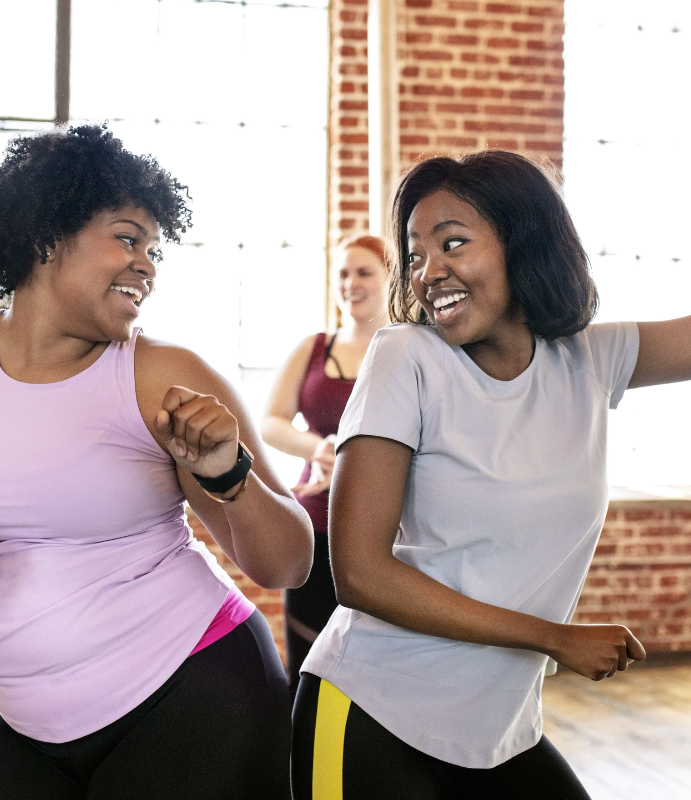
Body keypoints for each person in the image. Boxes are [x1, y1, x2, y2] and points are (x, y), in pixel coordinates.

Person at [0, 125, 314, 800]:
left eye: (154, 247)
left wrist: (228, 474)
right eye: (126, 237)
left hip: (194, 689)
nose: (146, 262)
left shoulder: (162, 376)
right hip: (31, 722)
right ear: (44, 236)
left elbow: (287, 563)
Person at [291, 151, 691, 799]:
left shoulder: (590, 359)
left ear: (523, 243)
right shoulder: (407, 358)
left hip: (498, 730)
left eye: (453, 243)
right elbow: (360, 574)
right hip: (374, 709)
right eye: (416, 255)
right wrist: (555, 639)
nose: (429, 272)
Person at [261, 234, 389, 696]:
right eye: (343, 274)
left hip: (389, 532)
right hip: (314, 524)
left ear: (390, 277)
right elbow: (271, 422)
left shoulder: (414, 351)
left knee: (376, 669)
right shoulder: (314, 347)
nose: (350, 283)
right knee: (308, 665)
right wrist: (317, 447)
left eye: (363, 272)